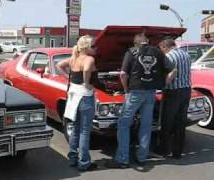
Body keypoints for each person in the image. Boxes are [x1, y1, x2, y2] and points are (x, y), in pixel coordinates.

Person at [105, 33, 175, 168]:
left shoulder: (131, 52)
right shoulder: (158, 52)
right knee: (146, 125)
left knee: (123, 124)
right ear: (147, 41)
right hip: (151, 93)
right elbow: (173, 70)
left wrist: (126, 90)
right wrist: (164, 84)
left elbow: (123, 74)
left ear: (135, 43)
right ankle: (142, 157)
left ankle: (122, 159)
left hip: (135, 92)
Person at [56, 35, 98, 171]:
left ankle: (73, 158)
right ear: (86, 47)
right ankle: (84, 162)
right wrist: (87, 83)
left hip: (74, 95)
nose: (96, 48)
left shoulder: (74, 58)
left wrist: (67, 77)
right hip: (85, 96)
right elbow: (86, 70)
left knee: (75, 127)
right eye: (94, 46)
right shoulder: (89, 59)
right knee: (85, 130)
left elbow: (59, 65)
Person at [158, 37, 192, 159]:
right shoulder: (186, 55)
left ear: (164, 47)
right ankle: (177, 152)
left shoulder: (169, 57)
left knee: (167, 122)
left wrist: (161, 85)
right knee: (181, 122)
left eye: (161, 49)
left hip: (173, 91)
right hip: (186, 90)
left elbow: (169, 74)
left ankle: (164, 150)